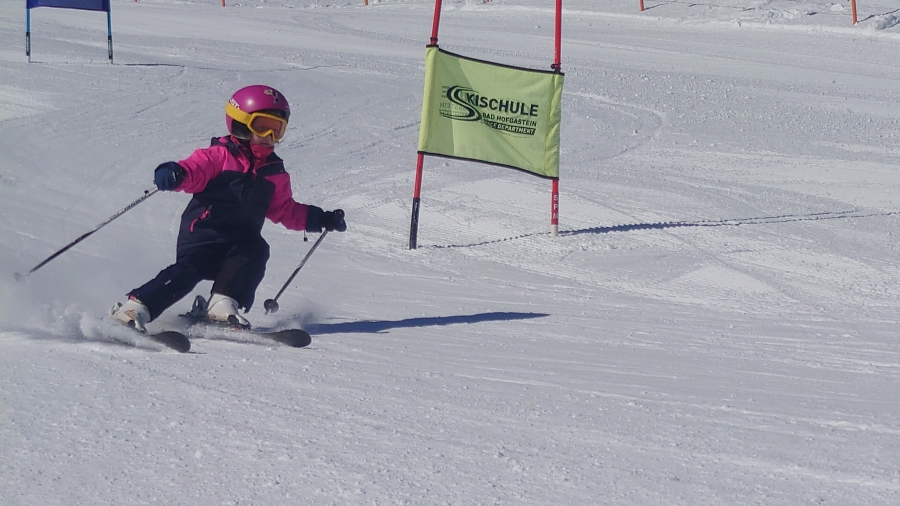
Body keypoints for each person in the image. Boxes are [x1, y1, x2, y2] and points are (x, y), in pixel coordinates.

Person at [110, 84, 346, 332]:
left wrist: (320, 219)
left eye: (277, 130)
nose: (269, 137)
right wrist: (174, 173)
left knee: (256, 250)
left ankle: (223, 304)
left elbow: (285, 210)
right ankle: (134, 309)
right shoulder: (219, 156)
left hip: (239, 243)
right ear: (241, 124)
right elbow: (193, 170)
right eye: (262, 126)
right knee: (186, 274)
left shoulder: (275, 173)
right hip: (203, 237)